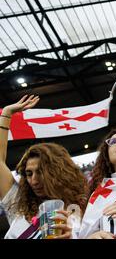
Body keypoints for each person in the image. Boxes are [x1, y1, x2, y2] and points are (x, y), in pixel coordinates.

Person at [0, 95, 88, 239]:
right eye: (29, 173)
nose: (34, 180)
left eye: (40, 172)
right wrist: (6, 114)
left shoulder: (80, 209)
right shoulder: (17, 203)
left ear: (58, 172)